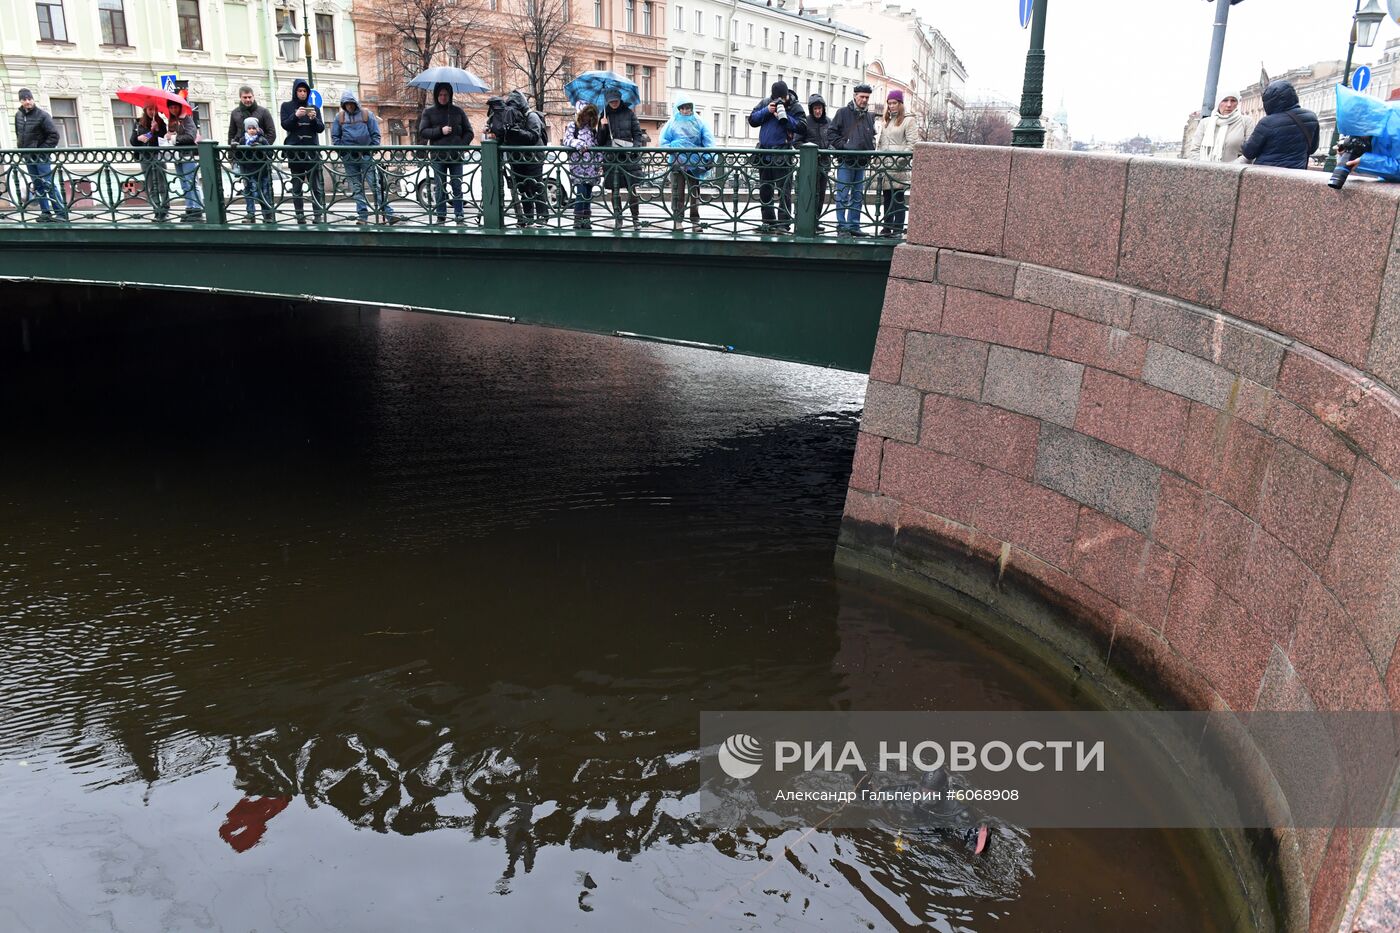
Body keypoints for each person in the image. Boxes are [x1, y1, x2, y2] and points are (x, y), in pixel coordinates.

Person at [331, 89, 400, 225]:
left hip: (366, 156)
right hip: (349, 158)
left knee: (374, 185)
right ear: (343, 105)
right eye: (346, 104)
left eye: (351, 103)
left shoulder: (367, 115)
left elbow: (375, 135)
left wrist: (371, 150)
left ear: (355, 103)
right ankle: (362, 216)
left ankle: (388, 213)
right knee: (357, 188)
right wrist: (343, 152)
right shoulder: (340, 117)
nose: (349, 106)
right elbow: (335, 137)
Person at [748, 80, 804, 233]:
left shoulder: (795, 106)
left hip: (783, 154)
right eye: (776, 98)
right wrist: (766, 110)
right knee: (765, 191)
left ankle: (783, 224)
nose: (779, 101)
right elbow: (752, 120)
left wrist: (784, 116)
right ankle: (768, 223)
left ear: (787, 96)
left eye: (782, 98)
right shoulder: (766, 103)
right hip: (765, 154)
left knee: (784, 191)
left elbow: (802, 127)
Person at [417, 82, 474, 224]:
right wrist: (440, 131)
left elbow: (469, 132)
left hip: (455, 156)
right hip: (438, 156)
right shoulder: (428, 112)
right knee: (440, 187)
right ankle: (440, 216)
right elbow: (423, 132)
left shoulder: (458, 111)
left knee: (457, 185)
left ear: (450, 96)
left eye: (446, 95)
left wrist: (460, 145)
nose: (443, 97)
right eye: (440, 94)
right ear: (436, 95)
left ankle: (459, 215)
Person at [827, 83, 877, 237]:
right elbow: (831, 133)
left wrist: (871, 150)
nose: (864, 100)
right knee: (842, 194)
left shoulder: (869, 116)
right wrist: (844, 146)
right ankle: (842, 227)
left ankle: (854, 225)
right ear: (855, 96)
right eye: (862, 97)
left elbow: (871, 136)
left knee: (857, 196)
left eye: (867, 97)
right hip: (846, 161)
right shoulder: (842, 113)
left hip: (861, 162)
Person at [659, 93, 715, 233]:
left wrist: (709, 157)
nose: (685, 110)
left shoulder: (699, 122)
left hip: (695, 164)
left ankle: (695, 221)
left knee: (694, 193)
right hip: (677, 163)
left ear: (692, 107)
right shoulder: (671, 123)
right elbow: (663, 142)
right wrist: (674, 148)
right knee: (677, 192)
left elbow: (708, 141)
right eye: (682, 108)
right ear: (678, 109)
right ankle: (678, 220)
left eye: (687, 107)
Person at [13, 89, 67, 223]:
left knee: (47, 183)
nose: (27, 102)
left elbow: (54, 136)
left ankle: (61, 212)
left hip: (42, 156)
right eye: (24, 99)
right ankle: (45, 212)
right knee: (38, 184)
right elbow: (19, 134)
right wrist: (22, 150)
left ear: (33, 99)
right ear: (20, 101)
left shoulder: (43, 115)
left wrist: (41, 151)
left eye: (29, 99)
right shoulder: (18, 116)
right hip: (28, 157)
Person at [1240, 80, 1319, 170]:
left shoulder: (1267, 122)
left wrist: (1243, 144)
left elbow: (1249, 153)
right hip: (1297, 174)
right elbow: (1313, 148)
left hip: (1266, 174)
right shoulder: (1311, 117)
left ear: (1269, 101)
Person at [874, 89, 921, 238]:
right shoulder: (886, 121)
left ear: (900, 104)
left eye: (894, 103)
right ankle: (886, 227)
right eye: (889, 103)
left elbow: (913, 143)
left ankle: (898, 228)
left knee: (898, 198)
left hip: (898, 166)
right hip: (885, 165)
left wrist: (899, 160)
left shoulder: (908, 120)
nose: (891, 106)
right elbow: (882, 142)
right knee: (887, 197)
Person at [597, 88, 644, 229]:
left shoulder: (629, 113)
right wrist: (603, 127)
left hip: (629, 158)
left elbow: (637, 134)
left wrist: (635, 150)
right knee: (614, 190)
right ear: (607, 101)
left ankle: (636, 220)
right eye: (611, 101)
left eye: (615, 101)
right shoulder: (604, 115)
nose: (614, 103)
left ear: (619, 99)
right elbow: (599, 141)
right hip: (612, 158)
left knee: (632, 190)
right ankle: (618, 219)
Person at [280, 79, 326, 224]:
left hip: (312, 151)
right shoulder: (286, 106)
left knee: (316, 186)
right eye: (299, 91)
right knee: (297, 186)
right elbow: (285, 125)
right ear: (295, 92)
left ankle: (317, 215)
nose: (302, 93)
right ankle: (300, 215)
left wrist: (313, 119)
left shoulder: (314, 108)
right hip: (296, 153)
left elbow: (320, 128)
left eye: (305, 91)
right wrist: (296, 116)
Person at [502, 90, 549, 227]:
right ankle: (527, 218)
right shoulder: (513, 116)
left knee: (536, 186)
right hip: (518, 158)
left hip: (533, 157)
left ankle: (542, 217)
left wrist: (516, 132)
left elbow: (533, 136)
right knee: (523, 188)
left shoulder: (532, 116)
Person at [795, 92, 832, 229]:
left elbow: (833, 139)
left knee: (821, 194)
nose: (818, 111)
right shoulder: (805, 122)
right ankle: (803, 222)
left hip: (824, 163)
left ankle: (816, 221)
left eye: (820, 108)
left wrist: (830, 149)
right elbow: (797, 142)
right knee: (807, 192)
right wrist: (809, 151)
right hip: (808, 165)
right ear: (811, 109)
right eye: (815, 108)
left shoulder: (828, 122)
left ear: (823, 109)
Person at [562, 104, 602, 229]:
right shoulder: (573, 126)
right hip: (578, 165)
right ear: (581, 114)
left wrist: (599, 160)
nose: (587, 117)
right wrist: (579, 143)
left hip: (591, 167)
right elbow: (567, 140)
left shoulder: (592, 129)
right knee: (581, 192)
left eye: (590, 115)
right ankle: (578, 220)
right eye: (586, 114)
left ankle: (586, 220)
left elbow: (596, 146)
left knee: (588, 193)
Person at [164, 99, 204, 223]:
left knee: (191, 181)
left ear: (179, 107)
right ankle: (189, 207)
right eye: (171, 108)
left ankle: (197, 208)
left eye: (175, 107)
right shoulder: (172, 121)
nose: (173, 109)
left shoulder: (187, 119)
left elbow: (191, 136)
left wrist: (174, 137)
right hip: (177, 156)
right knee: (184, 183)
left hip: (187, 155)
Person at [129, 104, 170, 222]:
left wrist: (156, 130)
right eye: (150, 109)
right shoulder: (138, 123)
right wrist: (138, 138)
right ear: (145, 110)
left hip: (158, 156)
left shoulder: (160, 122)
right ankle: (156, 210)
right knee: (150, 184)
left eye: (155, 109)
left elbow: (162, 140)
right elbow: (133, 141)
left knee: (162, 182)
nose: (153, 112)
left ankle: (165, 209)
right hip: (145, 157)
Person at [1187, 91, 1253, 163]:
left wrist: (1231, 168)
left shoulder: (1246, 122)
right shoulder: (1205, 123)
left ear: (1237, 103)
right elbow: (1194, 150)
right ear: (1218, 102)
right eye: (1225, 100)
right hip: (1205, 171)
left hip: (1234, 171)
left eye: (1233, 100)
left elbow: (1250, 152)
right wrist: (1204, 169)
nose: (1229, 105)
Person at [232, 116, 275, 224]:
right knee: (249, 192)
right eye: (249, 128)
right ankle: (250, 214)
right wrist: (235, 149)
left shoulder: (262, 139)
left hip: (261, 171)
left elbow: (270, 153)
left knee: (263, 193)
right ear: (246, 129)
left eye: (253, 128)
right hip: (247, 171)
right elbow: (239, 157)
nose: (251, 130)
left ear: (257, 129)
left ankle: (267, 214)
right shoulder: (242, 140)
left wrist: (261, 148)